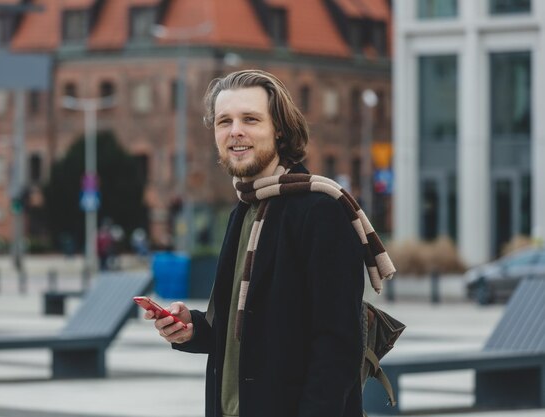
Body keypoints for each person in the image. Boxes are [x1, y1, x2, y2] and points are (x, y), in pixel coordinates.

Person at [145, 70, 394, 417]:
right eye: (224, 121)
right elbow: (246, 331)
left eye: (250, 119)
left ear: (279, 129)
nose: (235, 131)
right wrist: (191, 329)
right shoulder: (245, 208)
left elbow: (337, 347)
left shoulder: (320, 210)